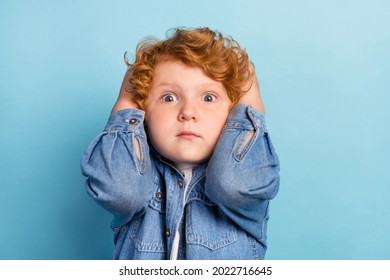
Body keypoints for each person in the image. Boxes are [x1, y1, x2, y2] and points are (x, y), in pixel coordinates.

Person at [81, 27, 280, 260]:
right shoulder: (135, 174)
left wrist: (251, 98)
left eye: (208, 97)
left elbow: (232, 185)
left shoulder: (248, 175)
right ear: (143, 110)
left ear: (233, 114)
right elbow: (121, 192)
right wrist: (127, 99)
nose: (188, 112)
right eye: (169, 98)